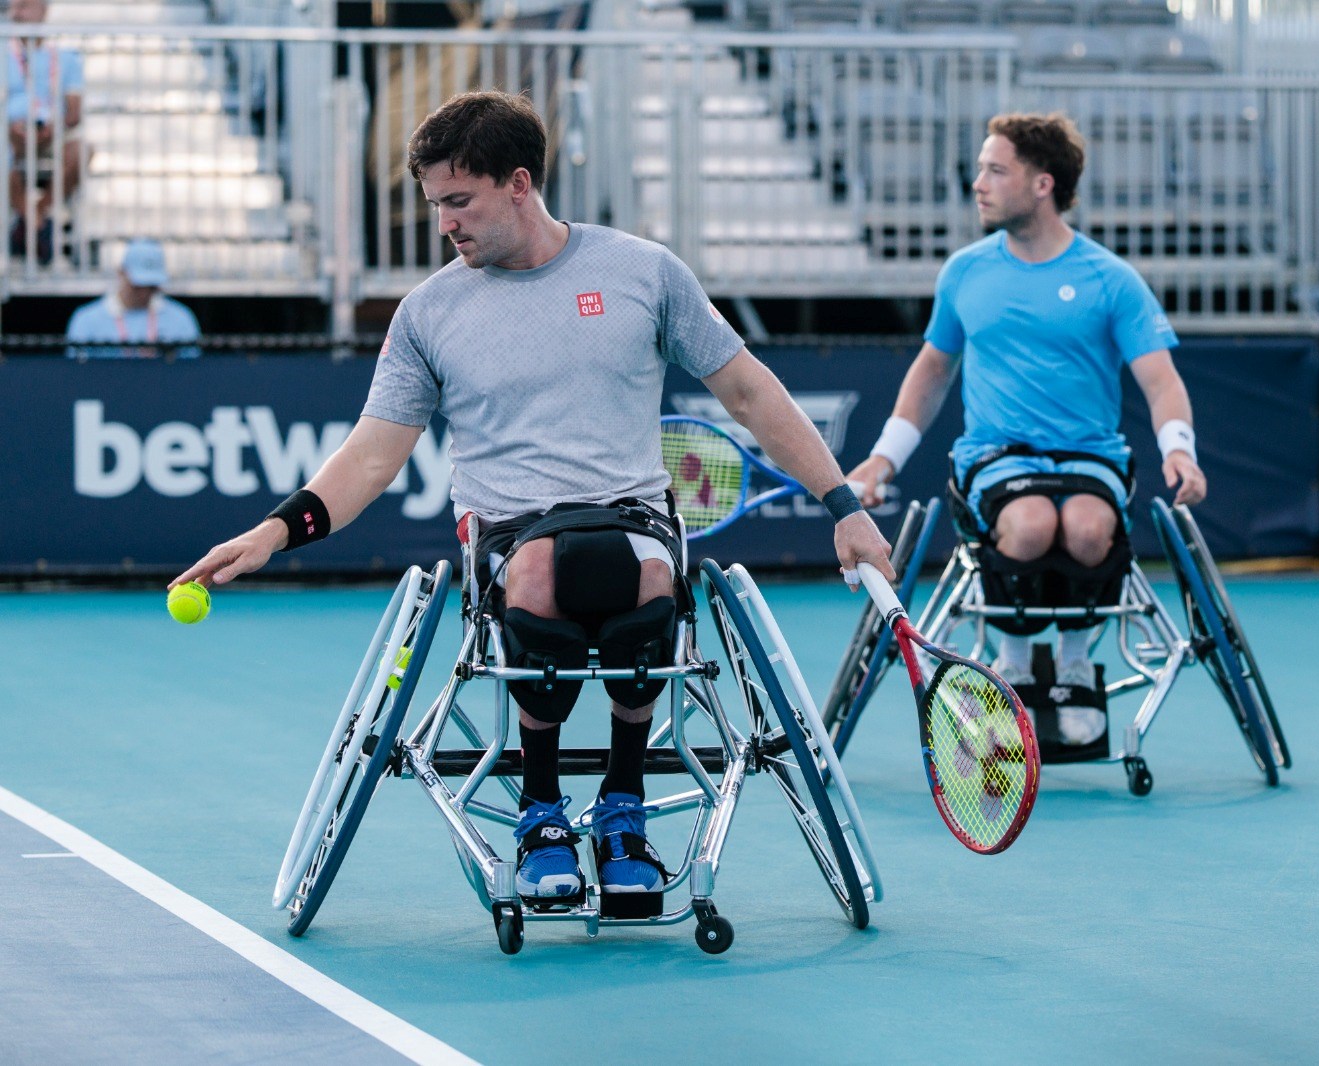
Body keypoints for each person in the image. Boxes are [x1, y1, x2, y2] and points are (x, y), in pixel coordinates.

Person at [171, 91, 892, 914]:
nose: (445, 222)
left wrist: (845, 506)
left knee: (648, 576)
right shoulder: (428, 314)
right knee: (545, 571)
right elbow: (371, 457)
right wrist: (273, 532)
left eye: (458, 201)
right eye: (436, 203)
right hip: (509, 532)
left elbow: (750, 393)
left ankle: (624, 811)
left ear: (519, 183)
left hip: (634, 516)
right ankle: (541, 812)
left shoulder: (643, 272)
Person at [847, 112, 1206, 748]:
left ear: (1042, 184)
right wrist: (883, 461)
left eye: (995, 169)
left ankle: (1073, 666)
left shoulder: (1110, 278)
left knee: (1090, 529)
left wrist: (1180, 451)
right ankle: (1011, 665)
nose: (977, 182)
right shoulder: (964, 272)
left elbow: (1161, 380)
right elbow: (932, 373)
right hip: (996, 459)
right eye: (980, 168)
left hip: (1088, 457)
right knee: (1034, 523)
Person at [6, 0, 86, 264]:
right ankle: (38, 223)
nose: (16, 14)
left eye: (24, 7)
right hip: (8, 133)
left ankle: (32, 217)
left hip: (52, 133)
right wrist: (10, 129)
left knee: (82, 151)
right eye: (13, 8)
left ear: (43, 11)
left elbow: (74, 112)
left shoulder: (66, 58)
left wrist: (55, 128)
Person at [65, 240, 201, 359]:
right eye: (138, 285)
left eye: (152, 286)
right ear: (121, 273)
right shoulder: (86, 320)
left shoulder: (181, 319)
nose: (145, 292)